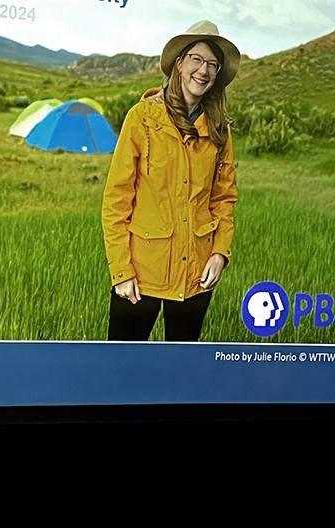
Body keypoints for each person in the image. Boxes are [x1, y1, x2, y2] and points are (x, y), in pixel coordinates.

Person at [101, 20, 240, 341]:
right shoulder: (142, 118)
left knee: (180, 367)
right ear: (179, 63)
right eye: (197, 59)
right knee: (122, 369)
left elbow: (224, 198)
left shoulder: (219, 128)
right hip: (141, 273)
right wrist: (121, 272)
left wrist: (220, 253)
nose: (203, 70)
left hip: (198, 273)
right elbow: (116, 200)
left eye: (212, 64)